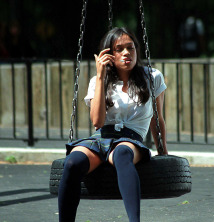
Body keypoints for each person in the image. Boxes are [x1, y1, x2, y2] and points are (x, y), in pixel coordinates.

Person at [58, 27, 168, 222]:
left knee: (121, 153)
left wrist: (163, 151)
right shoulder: (97, 81)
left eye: (130, 48)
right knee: (72, 162)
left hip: (131, 139)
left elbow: (157, 118)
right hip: (102, 137)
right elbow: (97, 122)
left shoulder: (152, 77)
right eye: (119, 49)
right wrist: (100, 76)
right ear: (108, 54)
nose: (126, 53)